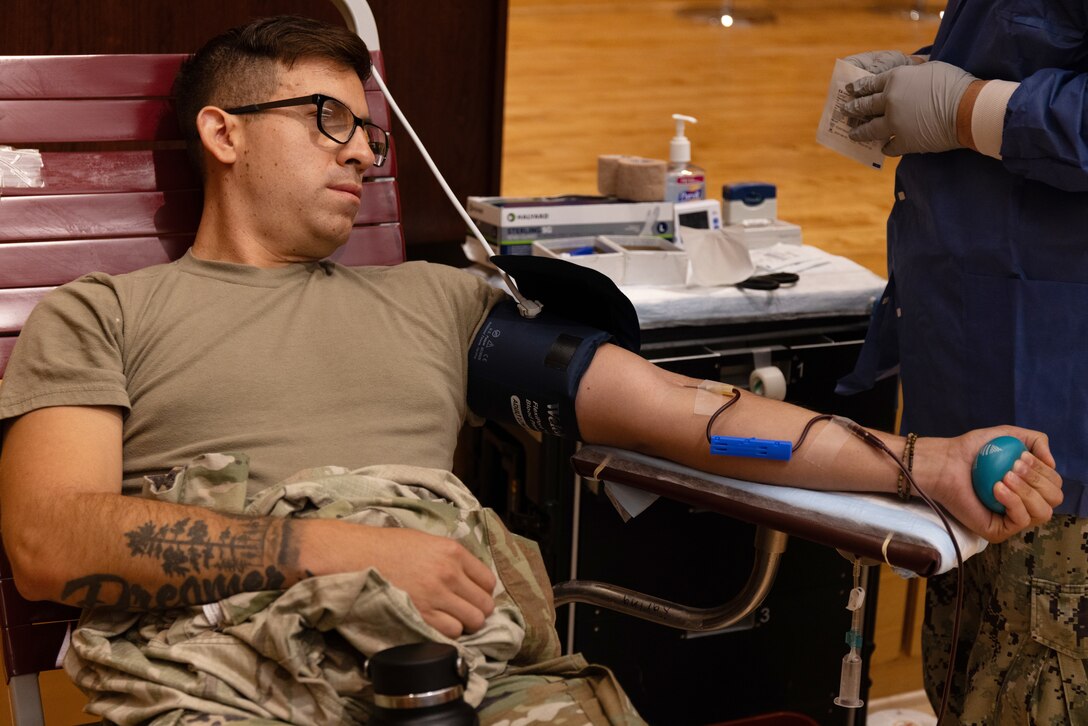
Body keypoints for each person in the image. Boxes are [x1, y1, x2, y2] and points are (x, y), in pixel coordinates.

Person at [0, 15, 1062, 726]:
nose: (362, 153)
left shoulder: (440, 301)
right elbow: (51, 544)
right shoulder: (106, 312)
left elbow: (688, 415)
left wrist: (917, 461)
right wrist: (327, 546)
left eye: (368, 134)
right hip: (226, 668)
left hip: (460, 667)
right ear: (222, 131)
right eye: (325, 119)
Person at [838, 3, 1088, 722]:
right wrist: (936, 76)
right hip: (961, 411)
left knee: (1035, 688)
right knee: (963, 680)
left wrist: (967, 110)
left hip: (1058, 446)